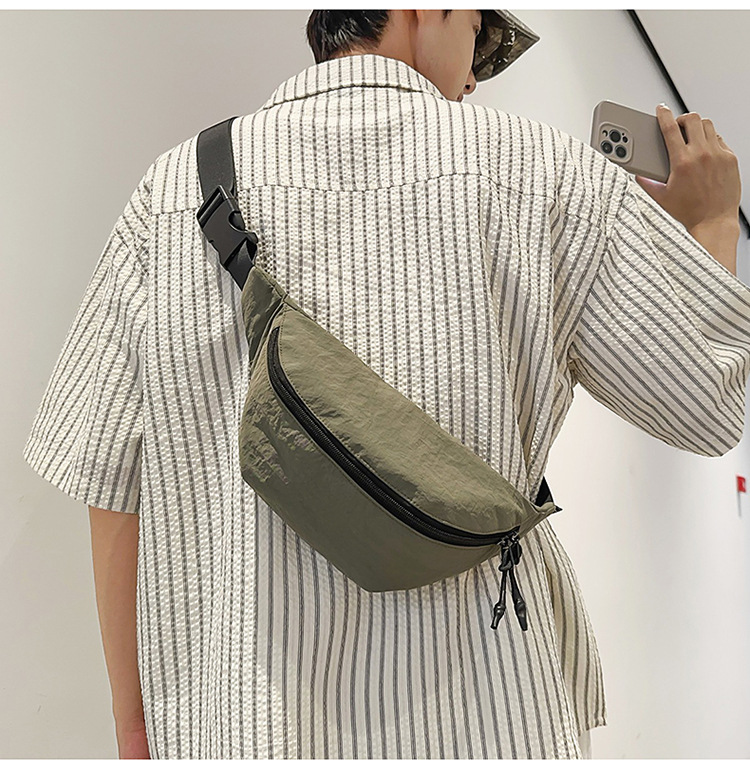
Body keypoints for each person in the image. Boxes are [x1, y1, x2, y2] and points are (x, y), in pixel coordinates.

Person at [22, 9, 747, 761]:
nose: (475, 78)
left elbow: (108, 483)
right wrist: (712, 222)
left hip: (247, 725)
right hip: (489, 717)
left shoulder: (170, 196)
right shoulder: (547, 173)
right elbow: (708, 401)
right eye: (479, 35)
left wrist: (134, 728)